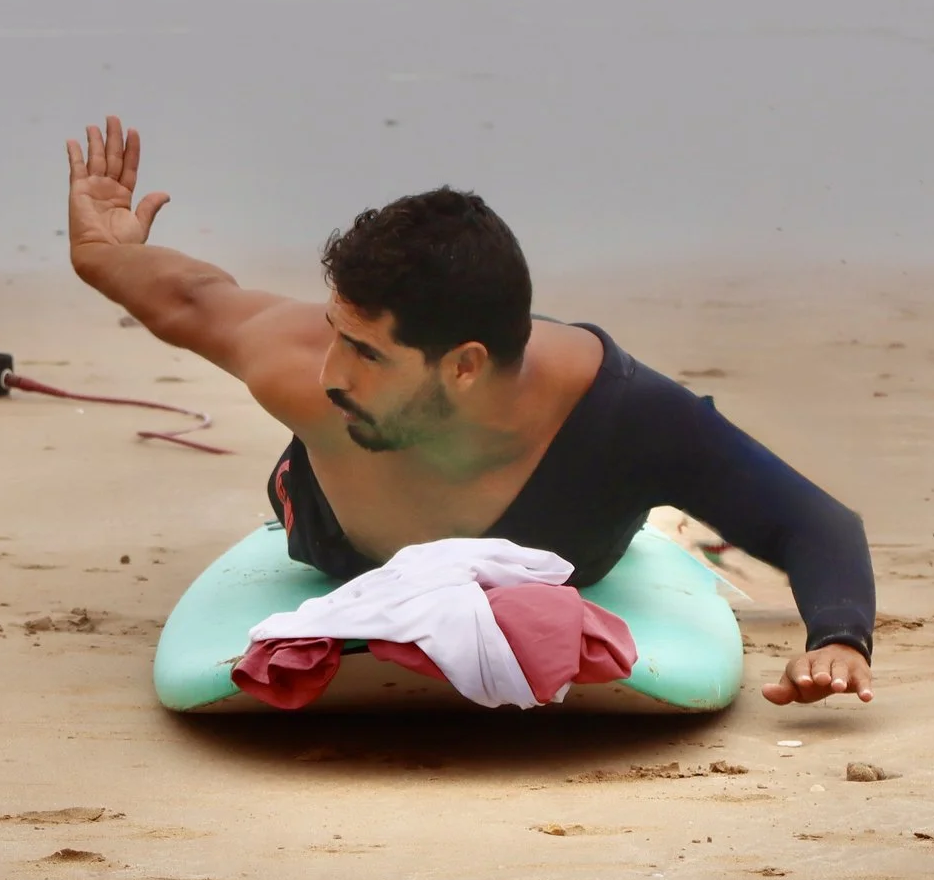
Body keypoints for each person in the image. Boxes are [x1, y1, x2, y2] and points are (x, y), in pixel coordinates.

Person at [65, 117, 877, 707]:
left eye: (369, 353)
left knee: (665, 494)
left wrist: (837, 639)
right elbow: (195, 300)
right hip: (331, 530)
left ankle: (662, 524)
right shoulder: (302, 371)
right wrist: (108, 256)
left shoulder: (624, 417)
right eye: (334, 333)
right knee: (306, 453)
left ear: (463, 366)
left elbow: (812, 521)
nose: (330, 371)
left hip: (579, 522)